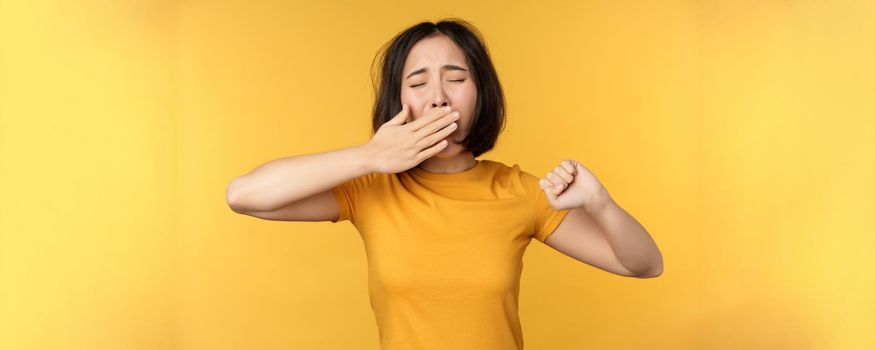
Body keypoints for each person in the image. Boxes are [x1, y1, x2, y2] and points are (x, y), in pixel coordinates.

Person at [226, 18, 663, 350]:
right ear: (400, 101)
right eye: (418, 82)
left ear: (481, 94)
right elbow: (243, 195)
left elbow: (644, 264)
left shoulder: (520, 192)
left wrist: (601, 204)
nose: (439, 97)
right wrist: (371, 155)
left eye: (456, 79)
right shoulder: (370, 188)